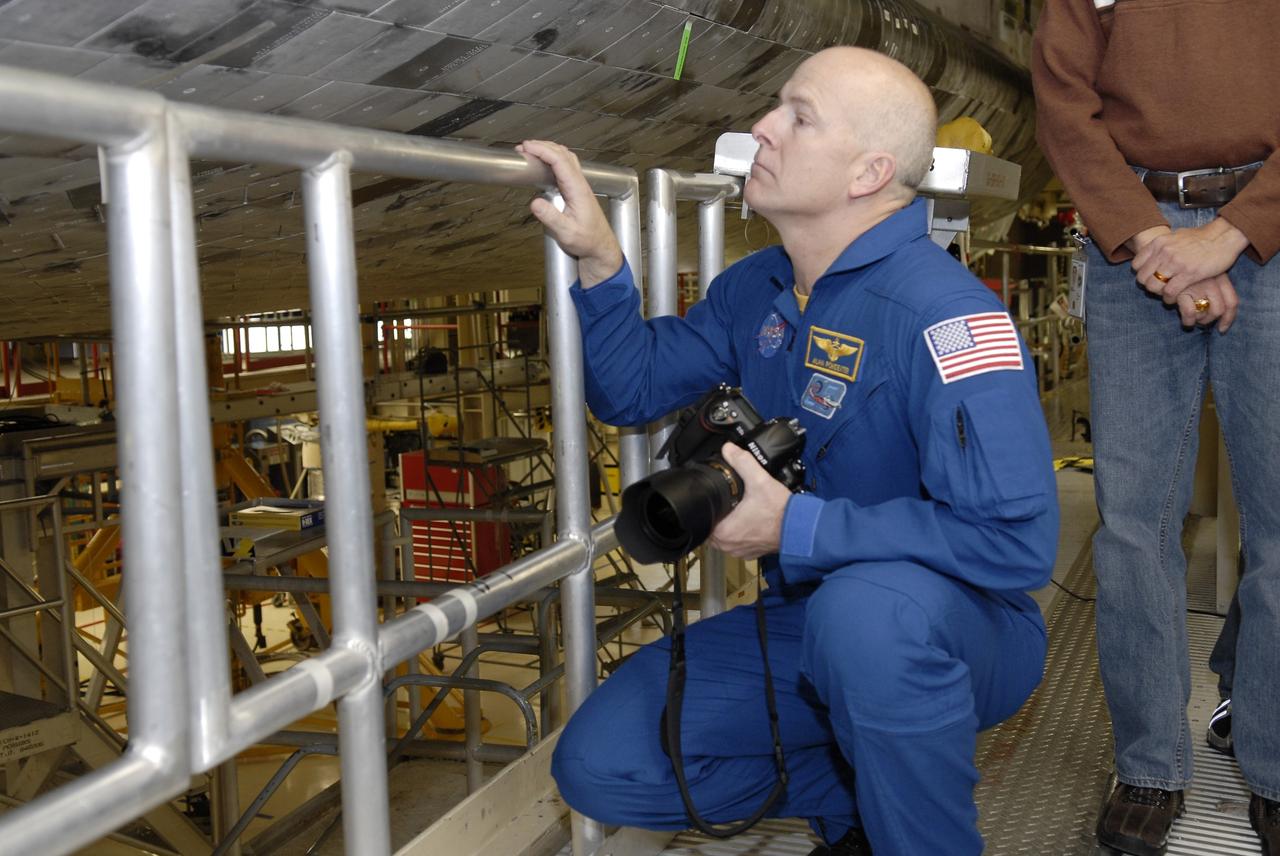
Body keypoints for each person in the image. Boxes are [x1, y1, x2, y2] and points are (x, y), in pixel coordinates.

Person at [519, 46, 1058, 856]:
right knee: (604, 762)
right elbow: (631, 391)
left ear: (868, 172)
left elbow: (1016, 544)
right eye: (774, 108)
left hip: (958, 626)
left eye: (797, 117)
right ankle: (857, 797)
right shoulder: (757, 288)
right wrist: (601, 263)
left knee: (864, 618)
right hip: (808, 625)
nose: (760, 129)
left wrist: (797, 530)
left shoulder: (948, 319)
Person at [1032, 3, 1280, 855]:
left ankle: (1276, 764)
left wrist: (1238, 231)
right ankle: (1149, 765)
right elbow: (1064, 99)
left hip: (1272, 236)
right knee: (1134, 526)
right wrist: (1150, 239)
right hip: (1132, 233)